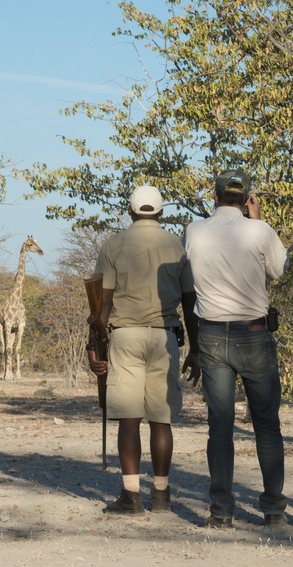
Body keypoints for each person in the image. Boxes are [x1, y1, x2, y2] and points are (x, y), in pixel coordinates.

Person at [184, 169, 290, 529]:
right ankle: (274, 510)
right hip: (253, 333)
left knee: (220, 425)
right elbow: (279, 269)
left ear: (214, 196)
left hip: (211, 334)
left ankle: (221, 512)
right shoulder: (258, 230)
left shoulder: (194, 230)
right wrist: (257, 221)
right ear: (247, 199)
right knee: (266, 424)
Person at [88, 184, 200, 515]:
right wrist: (194, 348)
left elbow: (102, 303)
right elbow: (190, 300)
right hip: (165, 337)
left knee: (128, 418)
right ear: (161, 211)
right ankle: (162, 496)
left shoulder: (115, 244)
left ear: (130, 211)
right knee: (161, 421)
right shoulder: (177, 246)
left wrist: (93, 344)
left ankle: (131, 496)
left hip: (125, 337)